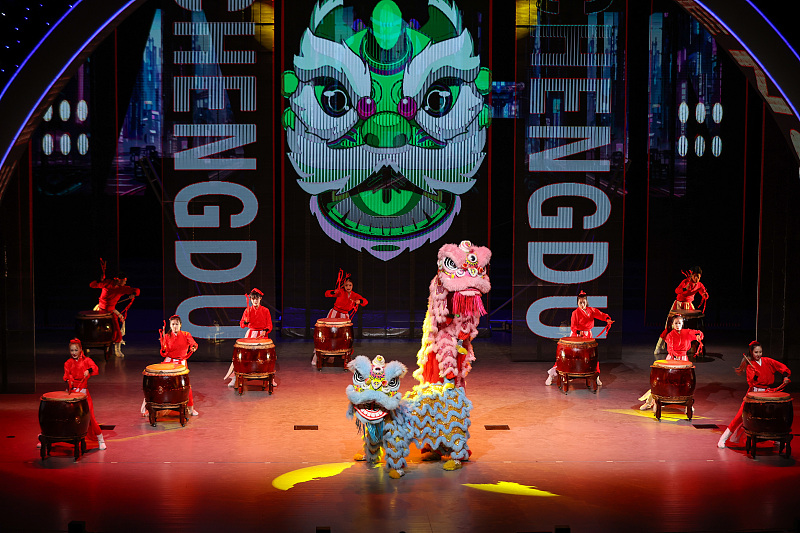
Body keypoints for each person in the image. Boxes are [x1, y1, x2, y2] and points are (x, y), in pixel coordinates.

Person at [717, 341, 791, 448]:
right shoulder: (750, 365)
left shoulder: (767, 361)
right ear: (752, 352)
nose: (758, 354)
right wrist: (755, 376)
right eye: (756, 352)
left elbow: (781, 366)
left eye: (760, 352)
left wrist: (785, 376)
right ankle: (723, 439)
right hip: (754, 393)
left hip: (767, 393)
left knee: (771, 416)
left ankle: (776, 439)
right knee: (740, 416)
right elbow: (751, 382)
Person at [41, 339, 106, 450]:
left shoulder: (87, 360)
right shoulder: (68, 363)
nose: (74, 352)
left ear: (81, 349)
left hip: (84, 394)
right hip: (71, 393)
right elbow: (66, 375)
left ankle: (101, 439)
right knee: (62, 416)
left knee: (91, 417)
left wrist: (88, 371)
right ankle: (47, 437)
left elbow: (95, 368)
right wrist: (69, 380)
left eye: (76, 350)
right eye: (72, 350)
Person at [545, 291, 613, 386]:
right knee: (568, 358)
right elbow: (573, 326)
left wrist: (607, 319)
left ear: (586, 302)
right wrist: (578, 333)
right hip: (576, 336)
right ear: (577, 303)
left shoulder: (591, 311)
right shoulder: (575, 313)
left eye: (584, 302)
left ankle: (596, 376)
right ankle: (551, 375)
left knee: (591, 358)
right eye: (580, 302)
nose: (582, 304)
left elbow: (600, 314)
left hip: (588, 336)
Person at [639, 314, 704, 410]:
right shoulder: (670, 334)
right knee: (664, 381)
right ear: (673, 324)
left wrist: (699, 337)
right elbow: (670, 347)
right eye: (676, 323)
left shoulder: (687, 332)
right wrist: (675, 359)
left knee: (684, 382)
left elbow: (699, 333)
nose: (678, 325)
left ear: (682, 324)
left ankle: (688, 405)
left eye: (680, 323)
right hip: (672, 358)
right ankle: (650, 402)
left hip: (683, 359)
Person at [141, 315, 199, 416]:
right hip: (168, 362)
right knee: (158, 383)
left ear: (180, 325)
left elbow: (193, 344)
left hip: (181, 362)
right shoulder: (167, 336)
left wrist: (193, 347)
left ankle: (190, 408)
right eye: (173, 324)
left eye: (177, 324)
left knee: (186, 386)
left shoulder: (186, 335)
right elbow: (164, 353)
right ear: (170, 325)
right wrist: (163, 348)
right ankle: (151, 408)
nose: (175, 326)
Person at [312, 272, 368, 366]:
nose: (348, 287)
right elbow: (327, 294)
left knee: (342, 337)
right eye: (346, 285)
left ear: (352, 286)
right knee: (328, 335)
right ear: (343, 286)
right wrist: (335, 292)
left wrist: (359, 301)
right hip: (334, 314)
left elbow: (365, 301)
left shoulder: (354, 295)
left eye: (350, 285)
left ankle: (337, 356)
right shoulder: (340, 292)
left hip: (344, 316)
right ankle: (318, 356)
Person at [89, 261, 140, 357]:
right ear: (119, 280)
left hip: (111, 311)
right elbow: (92, 285)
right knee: (94, 328)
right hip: (100, 310)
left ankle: (117, 350)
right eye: (124, 280)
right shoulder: (107, 283)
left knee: (116, 329)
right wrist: (99, 281)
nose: (125, 282)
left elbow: (137, 290)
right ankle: (87, 346)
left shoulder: (123, 288)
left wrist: (133, 294)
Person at [225, 288, 273, 387]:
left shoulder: (265, 310)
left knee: (265, 358)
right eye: (253, 299)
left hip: (262, 336)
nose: (255, 301)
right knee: (243, 357)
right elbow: (242, 324)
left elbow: (269, 325)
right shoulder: (247, 311)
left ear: (260, 299)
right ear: (251, 300)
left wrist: (265, 330)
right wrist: (245, 322)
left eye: (257, 299)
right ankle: (235, 377)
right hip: (250, 335)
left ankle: (270, 379)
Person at [654, 267, 708, 355]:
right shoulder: (685, 282)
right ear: (691, 275)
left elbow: (703, 292)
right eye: (695, 276)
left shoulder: (699, 285)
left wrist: (705, 295)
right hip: (679, 305)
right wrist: (684, 289)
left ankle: (692, 348)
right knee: (671, 327)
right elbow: (677, 290)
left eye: (698, 277)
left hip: (689, 306)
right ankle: (659, 346)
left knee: (691, 327)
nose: (697, 279)